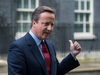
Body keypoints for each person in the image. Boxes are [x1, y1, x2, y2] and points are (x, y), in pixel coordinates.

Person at [7, 6, 82, 75]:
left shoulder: (49, 45)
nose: (49, 28)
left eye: (52, 25)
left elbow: (56, 71)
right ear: (34, 23)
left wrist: (73, 55)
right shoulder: (18, 47)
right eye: (46, 24)